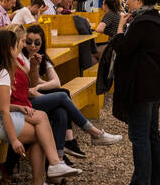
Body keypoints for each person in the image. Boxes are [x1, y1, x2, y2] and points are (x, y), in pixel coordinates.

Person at [0, 29, 81, 185]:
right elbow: (3, 110)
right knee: (40, 131)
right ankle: (48, 172)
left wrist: (19, 108)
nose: (20, 48)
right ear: (9, 49)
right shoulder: (3, 72)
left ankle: (52, 168)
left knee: (40, 119)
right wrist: (14, 140)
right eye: (16, 45)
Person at [18, 24, 122, 161]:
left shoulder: (41, 58)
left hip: (32, 95)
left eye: (37, 42)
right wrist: (36, 78)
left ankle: (59, 158)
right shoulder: (21, 58)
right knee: (62, 95)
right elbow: (31, 83)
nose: (32, 46)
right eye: (28, 42)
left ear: (42, 43)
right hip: (24, 101)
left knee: (61, 109)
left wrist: (38, 85)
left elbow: (52, 82)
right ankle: (88, 134)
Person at [109, 0, 160, 185]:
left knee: (140, 136)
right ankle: (157, 184)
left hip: (140, 87)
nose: (126, 1)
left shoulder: (141, 23)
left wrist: (119, 29)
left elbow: (123, 48)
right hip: (155, 86)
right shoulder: (158, 20)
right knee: (152, 134)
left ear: (139, 0)